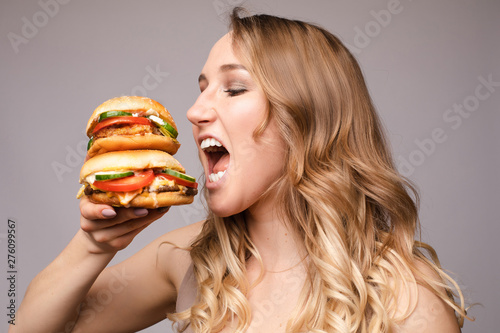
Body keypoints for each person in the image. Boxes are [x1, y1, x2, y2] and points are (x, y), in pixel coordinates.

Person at [11, 8, 470, 333]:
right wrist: (92, 246)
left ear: (307, 117)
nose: (193, 112)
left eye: (233, 89)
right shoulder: (188, 257)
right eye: (202, 89)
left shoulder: (408, 301)